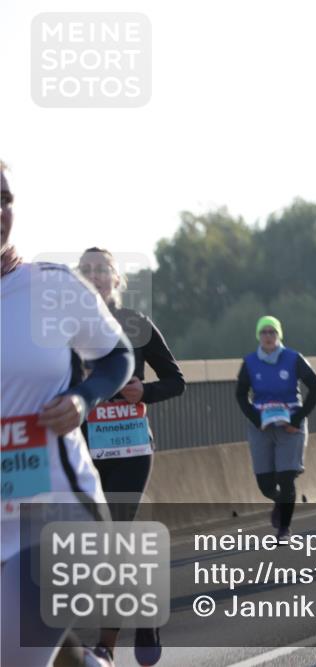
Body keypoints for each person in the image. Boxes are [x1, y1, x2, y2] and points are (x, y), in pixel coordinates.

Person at [1, 162, 135, 667]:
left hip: (56, 510)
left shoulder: (49, 287)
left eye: (3, 199)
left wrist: (83, 399)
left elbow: (117, 355)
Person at [77, 248, 186, 667]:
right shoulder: (65, 329)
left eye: (101, 269)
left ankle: (106, 645)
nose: (94, 276)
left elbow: (176, 381)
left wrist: (146, 391)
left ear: (116, 278)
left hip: (130, 445)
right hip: (82, 447)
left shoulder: (136, 324)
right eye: (85, 271)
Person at [235, 316, 316, 540]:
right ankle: (278, 501)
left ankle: (284, 529)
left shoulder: (293, 359)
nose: (268, 336)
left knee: (286, 477)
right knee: (265, 484)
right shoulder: (250, 362)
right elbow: (240, 394)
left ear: (279, 335)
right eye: (264, 332)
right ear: (258, 336)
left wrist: (297, 419)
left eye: (272, 332)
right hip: (262, 427)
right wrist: (256, 418)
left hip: (290, 426)